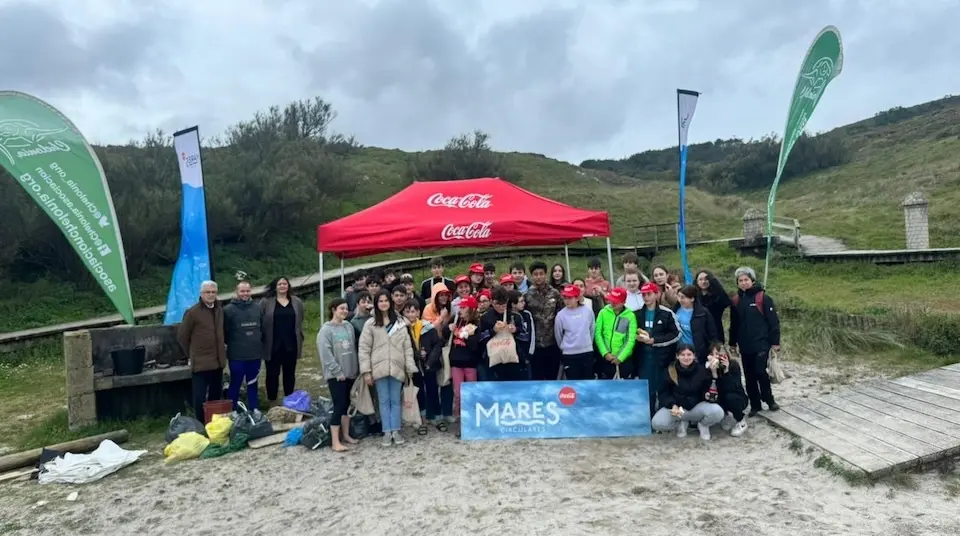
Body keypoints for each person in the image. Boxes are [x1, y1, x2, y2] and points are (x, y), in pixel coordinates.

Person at [358, 290, 417, 447]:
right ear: (376, 304)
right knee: (383, 401)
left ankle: (396, 430)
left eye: (386, 300)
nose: (383, 303)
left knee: (396, 400)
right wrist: (366, 371)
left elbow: (407, 347)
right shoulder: (370, 324)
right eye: (380, 301)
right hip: (379, 368)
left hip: (397, 367)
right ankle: (386, 431)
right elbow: (364, 348)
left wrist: (410, 367)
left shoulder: (400, 322)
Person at [729, 266, 781, 417]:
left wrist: (775, 342)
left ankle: (769, 400)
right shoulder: (736, 301)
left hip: (762, 343)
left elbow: (773, 322)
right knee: (749, 375)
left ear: (752, 280)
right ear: (737, 283)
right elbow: (734, 324)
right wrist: (732, 343)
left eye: (746, 280)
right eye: (740, 280)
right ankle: (755, 404)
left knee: (760, 371)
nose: (744, 283)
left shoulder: (763, 298)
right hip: (745, 345)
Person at [651, 343, 725, 440]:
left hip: (696, 407)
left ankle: (703, 425)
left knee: (718, 412)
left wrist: (706, 395)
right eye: (682, 355)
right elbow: (663, 392)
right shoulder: (670, 371)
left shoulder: (701, 370)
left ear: (694, 356)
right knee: (657, 422)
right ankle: (680, 423)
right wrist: (672, 405)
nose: (686, 358)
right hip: (678, 409)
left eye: (689, 354)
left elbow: (706, 388)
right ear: (677, 356)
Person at [177, 280, 226, 419]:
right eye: (207, 292)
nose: (210, 295)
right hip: (201, 363)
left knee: (215, 395)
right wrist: (191, 354)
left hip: (218, 362)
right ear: (201, 294)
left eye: (213, 292)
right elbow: (182, 336)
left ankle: (214, 422)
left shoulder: (219, 309)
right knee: (199, 397)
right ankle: (200, 422)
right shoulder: (192, 312)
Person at [318, 298, 360, 452]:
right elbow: (326, 354)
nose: (345, 311)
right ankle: (335, 441)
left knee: (348, 405)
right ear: (333, 310)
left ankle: (346, 435)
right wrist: (337, 372)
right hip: (336, 375)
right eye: (341, 308)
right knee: (339, 405)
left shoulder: (348, 326)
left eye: (346, 308)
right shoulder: (326, 330)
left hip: (351, 372)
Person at [636, 282, 681, 417]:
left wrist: (654, 341)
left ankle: (663, 419)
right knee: (647, 389)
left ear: (657, 294)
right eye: (643, 294)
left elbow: (676, 334)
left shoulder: (667, 313)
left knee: (663, 387)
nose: (646, 297)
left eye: (649, 294)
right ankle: (648, 418)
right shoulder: (637, 314)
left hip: (662, 357)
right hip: (643, 358)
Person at [260, 276, 305, 404]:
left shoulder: (297, 302)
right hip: (272, 344)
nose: (282, 286)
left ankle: (289, 400)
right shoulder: (266, 302)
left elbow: (300, 319)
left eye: (285, 283)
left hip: (291, 343)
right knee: (272, 374)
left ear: (288, 286)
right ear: (275, 286)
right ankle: (272, 401)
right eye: (279, 284)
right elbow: (260, 320)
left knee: (289, 374)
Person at [402, 300, 442, 436]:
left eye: (413, 311)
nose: (410, 314)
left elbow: (437, 345)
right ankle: (422, 420)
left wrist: (430, 360)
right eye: (407, 312)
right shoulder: (402, 329)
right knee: (419, 393)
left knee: (433, 390)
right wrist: (417, 355)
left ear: (418, 312)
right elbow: (402, 348)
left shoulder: (428, 327)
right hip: (413, 366)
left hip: (429, 365)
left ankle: (437, 417)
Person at [419, 283, 456, 428]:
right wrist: (441, 318)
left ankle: (447, 412)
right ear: (435, 296)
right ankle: (432, 413)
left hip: (446, 347)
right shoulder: (428, 309)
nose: (444, 297)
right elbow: (427, 328)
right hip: (431, 349)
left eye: (446, 295)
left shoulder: (450, 308)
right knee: (431, 383)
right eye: (441, 295)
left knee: (446, 380)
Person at [223, 280, 264, 410]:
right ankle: (233, 410)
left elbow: (262, 328)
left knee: (253, 383)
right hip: (237, 355)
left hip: (254, 354)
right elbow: (224, 331)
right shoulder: (228, 310)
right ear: (237, 292)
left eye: (247, 291)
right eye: (242, 291)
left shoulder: (257, 307)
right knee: (235, 383)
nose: (245, 293)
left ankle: (254, 409)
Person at [449, 296, 482, 437]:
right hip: (456, 363)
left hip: (470, 363)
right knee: (458, 394)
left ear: (471, 309)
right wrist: (448, 328)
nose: (460, 310)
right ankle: (460, 421)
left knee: (471, 393)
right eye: (460, 307)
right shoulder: (456, 321)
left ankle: (472, 420)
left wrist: (465, 335)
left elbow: (475, 346)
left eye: (463, 307)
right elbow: (446, 337)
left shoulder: (476, 323)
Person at [525, 261, 562, 381]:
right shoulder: (527, 295)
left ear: (546, 274)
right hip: (535, 345)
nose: (538, 277)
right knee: (538, 379)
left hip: (553, 343)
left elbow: (561, 314)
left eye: (541, 274)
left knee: (553, 377)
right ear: (532, 276)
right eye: (535, 274)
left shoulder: (555, 294)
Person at [479, 287, 523, 381]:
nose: (500, 307)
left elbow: (525, 336)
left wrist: (515, 330)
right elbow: (480, 339)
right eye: (497, 304)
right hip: (493, 359)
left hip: (513, 359)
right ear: (491, 302)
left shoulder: (515, 316)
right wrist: (493, 331)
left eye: (503, 304)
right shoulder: (485, 317)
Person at [554, 285, 596, 380]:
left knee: (588, 381)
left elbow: (592, 330)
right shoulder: (560, 315)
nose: (567, 301)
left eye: (570, 298)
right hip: (569, 354)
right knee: (573, 382)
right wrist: (565, 348)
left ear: (577, 298)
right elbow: (558, 334)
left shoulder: (587, 311)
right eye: (565, 298)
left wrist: (587, 344)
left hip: (586, 352)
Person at [707, 343, 749, 437]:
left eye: (721, 354)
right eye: (716, 354)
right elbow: (713, 390)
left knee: (730, 396)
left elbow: (733, 387)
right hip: (720, 398)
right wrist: (714, 374)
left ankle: (741, 421)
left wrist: (726, 371)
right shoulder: (709, 367)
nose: (718, 357)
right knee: (712, 397)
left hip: (738, 398)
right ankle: (725, 415)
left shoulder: (733, 365)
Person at [594, 287, 637, 379]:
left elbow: (630, 339)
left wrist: (620, 357)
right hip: (605, 359)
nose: (613, 303)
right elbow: (598, 334)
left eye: (616, 301)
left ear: (623, 302)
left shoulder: (630, 316)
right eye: (611, 300)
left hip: (624, 360)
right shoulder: (603, 312)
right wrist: (605, 353)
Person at [675, 285, 720, 364]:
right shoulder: (676, 310)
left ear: (692, 298)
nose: (680, 300)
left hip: (697, 352)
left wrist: (713, 349)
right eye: (678, 297)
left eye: (683, 297)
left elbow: (712, 333)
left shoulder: (703, 313)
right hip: (680, 350)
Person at [695, 270, 732, 344]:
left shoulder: (717, 296)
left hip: (716, 333)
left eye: (706, 279)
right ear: (696, 281)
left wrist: (714, 281)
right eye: (701, 279)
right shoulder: (694, 297)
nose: (703, 282)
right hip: (699, 334)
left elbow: (726, 302)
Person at [510, 290, 536, 380]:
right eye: (521, 301)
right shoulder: (506, 315)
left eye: (523, 301)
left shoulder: (527, 314)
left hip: (525, 355)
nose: (524, 303)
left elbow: (531, 335)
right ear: (513, 304)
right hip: (509, 357)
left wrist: (530, 354)